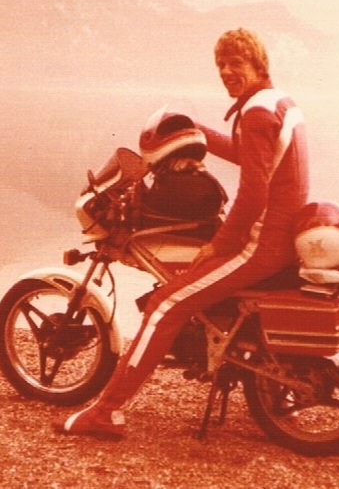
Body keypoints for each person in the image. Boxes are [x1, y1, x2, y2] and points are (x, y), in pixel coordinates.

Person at [53, 28, 310, 439]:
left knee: (166, 305)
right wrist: (195, 132)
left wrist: (220, 245)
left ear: (258, 64)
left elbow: (254, 192)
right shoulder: (277, 102)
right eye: (221, 64)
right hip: (283, 235)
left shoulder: (256, 113)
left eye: (236, 63)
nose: (226, 71)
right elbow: (248, 155)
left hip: (263, 244)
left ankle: (107, 411)